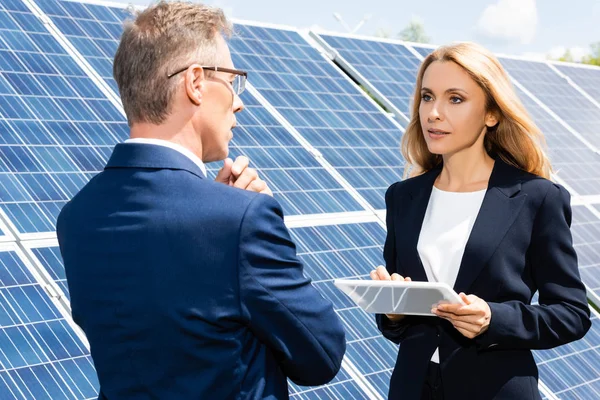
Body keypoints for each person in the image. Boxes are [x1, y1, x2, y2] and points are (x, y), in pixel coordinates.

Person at [56, 2, 345, 399]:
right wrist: (239, 223)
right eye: (233, 80)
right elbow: (320, 356)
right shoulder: (242, 219)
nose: (239, 101)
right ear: (195, 82)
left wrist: (223, 215)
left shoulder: (77, 216)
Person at [370, 42, 591, 400]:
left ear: (491, 113)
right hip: (411, 389)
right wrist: (393, 313)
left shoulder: (536, 197)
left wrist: (494, 318)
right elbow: (400, 323)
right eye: (427, 97)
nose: (434, 113)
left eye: (455, 99)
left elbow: (572, 314)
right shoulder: (402, 197)